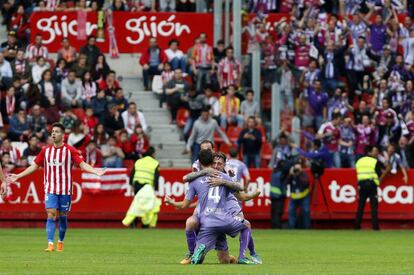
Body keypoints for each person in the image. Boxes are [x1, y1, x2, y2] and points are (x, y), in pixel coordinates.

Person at [7, 122, 106, 252]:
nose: (54, 134)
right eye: (52, 132)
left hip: (65, 189)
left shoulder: (70, 150)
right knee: (51, 213)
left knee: (63, 215)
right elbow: (34, 166)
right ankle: (50, 244)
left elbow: (81, 164)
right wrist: (18, 176)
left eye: (57, 132)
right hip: (50, 188)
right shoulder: (45, 151)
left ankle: (60, 241)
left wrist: (95, 171)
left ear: (63, 135)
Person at [165, 149, 255, 265]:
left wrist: (172, 202)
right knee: (246, 225)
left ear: (200, 162)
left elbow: (184, 204)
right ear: (212, 161)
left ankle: (195, 251)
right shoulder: (224, 177)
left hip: (206, 222)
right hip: (224, 220)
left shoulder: (194, 180)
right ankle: (242, 256)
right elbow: (241, 190)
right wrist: (226, 182)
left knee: (192, 225)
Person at [355, 145, 387, 230]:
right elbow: (380, 173)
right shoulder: (374, 161)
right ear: (369, 152)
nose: (376, 153)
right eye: (374, 151)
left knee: (360, 206)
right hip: (371, 185)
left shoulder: (359, 161)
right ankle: (375, 227)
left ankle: (357, 226)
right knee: (374, 207)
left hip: (361, 185)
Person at [286, 162, 311, 229]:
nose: (296, 170)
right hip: (294, 197)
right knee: (291, 211)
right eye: (296, 169)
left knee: (306, 211)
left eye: (298, 169)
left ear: (301, 169)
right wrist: (290, 174)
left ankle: (307, 228)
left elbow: (306, 184)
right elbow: (287, 182)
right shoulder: (292, 175)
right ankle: (291, 228)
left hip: (304, 196)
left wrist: (299, 175)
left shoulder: (303, 174)